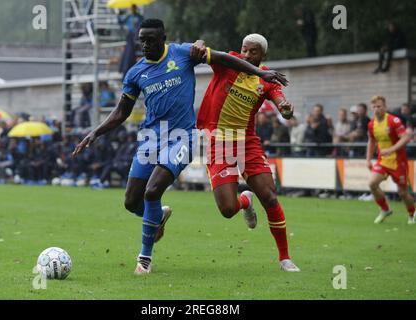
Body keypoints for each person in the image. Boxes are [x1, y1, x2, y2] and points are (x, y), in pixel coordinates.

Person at [72, 19, 288, 275]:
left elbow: (223, 58)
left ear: (163, 38)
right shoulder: (135, 73)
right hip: (151, 138)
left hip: (182, 136)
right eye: (141, 40)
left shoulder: (183, 53)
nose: (145, 44)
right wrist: (95, 132)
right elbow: (121, 112)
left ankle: (145, 258)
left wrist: (261, 72)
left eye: (150, 39)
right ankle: (157, 218)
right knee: (131, 201)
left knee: (152, 191)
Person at [196, 34, 300, 272]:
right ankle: (244, 201)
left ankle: (285, 258)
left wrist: (285, 109)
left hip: (247, 143)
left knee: (270, 197)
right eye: (245, 49)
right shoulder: (229, 62)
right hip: (220, 143)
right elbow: (203, 50)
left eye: (253, 52)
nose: (247, 55)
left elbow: (279, 99)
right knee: (228, 210)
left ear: (263, 56)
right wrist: (199, 44)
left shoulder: (267, 79)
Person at [366, 96, 415, 225]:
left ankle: (411, 214)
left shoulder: (394, 120)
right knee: (372, 183)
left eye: (379, 106)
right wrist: (368, 159)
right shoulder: (371, 124)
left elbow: (406, 138)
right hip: (383, 161)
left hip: (398, 162)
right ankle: (385, 209)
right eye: (375, 107)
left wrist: (391, 149)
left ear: (385, 107)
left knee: (402, 193)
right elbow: (371, 141)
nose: (377, 109)